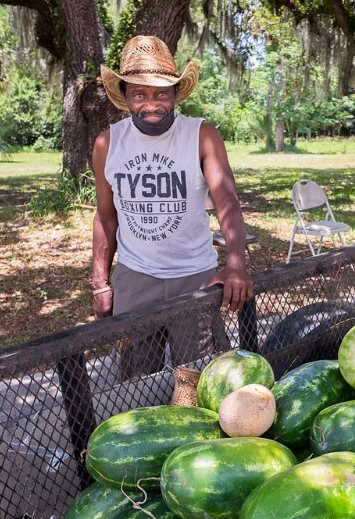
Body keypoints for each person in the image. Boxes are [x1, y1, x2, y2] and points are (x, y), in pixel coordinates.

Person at [91, 35, 254, 377]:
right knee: (137, 382)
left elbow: (227, 201)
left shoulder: (201, 135)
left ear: (176, 94)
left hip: (194, 277)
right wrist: (101, 283)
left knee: (199, 380)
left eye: (161, 93)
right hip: (136, 277)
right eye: (140, 94)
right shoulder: (108, 143)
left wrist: (237, 263)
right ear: (125, 96)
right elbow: (106, 218)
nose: (151, 104)